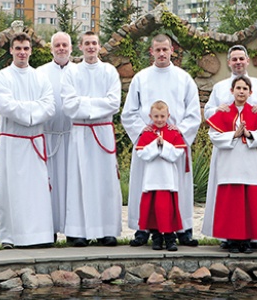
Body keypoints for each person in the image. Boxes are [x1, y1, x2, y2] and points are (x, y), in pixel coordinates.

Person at [122, 34, 201, 247]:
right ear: (151, 52)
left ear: (172, 50)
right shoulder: (141, 78)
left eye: (165, 49)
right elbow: (129, 113)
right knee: (145, 187)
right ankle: (143, 229)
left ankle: (182, 229)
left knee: (178, 188)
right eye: (157, 50)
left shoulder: (184, 78)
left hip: (174, 144)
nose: (162, 54)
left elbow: (193, 113)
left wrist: (178, 132)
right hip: (148, 145)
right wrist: (144, 132)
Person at [202, 44, 257, 244]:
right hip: (229, 153)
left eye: (241, 58)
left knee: (251, 194)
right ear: (229, 63)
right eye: (234, 59)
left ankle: (253, 237)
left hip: (251, 153)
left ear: (248, 61)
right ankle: (228, 235)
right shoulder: (219, 87)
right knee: (230, 196)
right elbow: (208, 114)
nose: (238, 62)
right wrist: (219, 110)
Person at [0, 33, 56, 249]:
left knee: (37, 190)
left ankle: (40, 235)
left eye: (26, 48)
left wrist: (28, 112)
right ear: (11, 50)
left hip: (35, 140)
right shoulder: (2, 77)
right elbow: (5, 106)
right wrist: (32, 111)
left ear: (31, 51)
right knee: (12, 189)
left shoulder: (40, 77)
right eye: (18, 48)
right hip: (13, 140)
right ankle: (11, 237)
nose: (22, 52)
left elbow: (49, 106)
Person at [61, 31, 122, 247]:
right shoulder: (72, 72)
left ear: (99, 46)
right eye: (87, 43)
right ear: (80, 46)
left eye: (94, 43)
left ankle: (107, 230)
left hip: (103, 132)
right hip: (80, 133)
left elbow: (114, 102)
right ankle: (79, 231)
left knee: (105, 180)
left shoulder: (109, 71)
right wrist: (97, 105)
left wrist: (84, 105)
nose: (90, 47)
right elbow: (69, 105)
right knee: (79, 180)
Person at [135, 100, 187, 251]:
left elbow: (178, 153)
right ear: (150, 116)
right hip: (152, 177)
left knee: (167, 209)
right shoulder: (146, 133)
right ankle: (156, 237)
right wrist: (155, 145)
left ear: (168, 116)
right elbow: (141, 153)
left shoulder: (173, 132)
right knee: (153, 209)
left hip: (167, 178)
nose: (159, 120)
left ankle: (170, 238)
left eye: (162, 116)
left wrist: (163, 145)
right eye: (156, 116)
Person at [37, 32, 74, 239]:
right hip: (48, 136)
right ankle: (48, 230)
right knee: (47, 185)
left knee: (71, 184)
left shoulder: (78, 71)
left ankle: (73, 229)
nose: (61, 48)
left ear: (71, 48)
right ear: (51, 48)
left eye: (64, 45)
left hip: (71, 136)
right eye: (57, 45)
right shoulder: (40, 72)